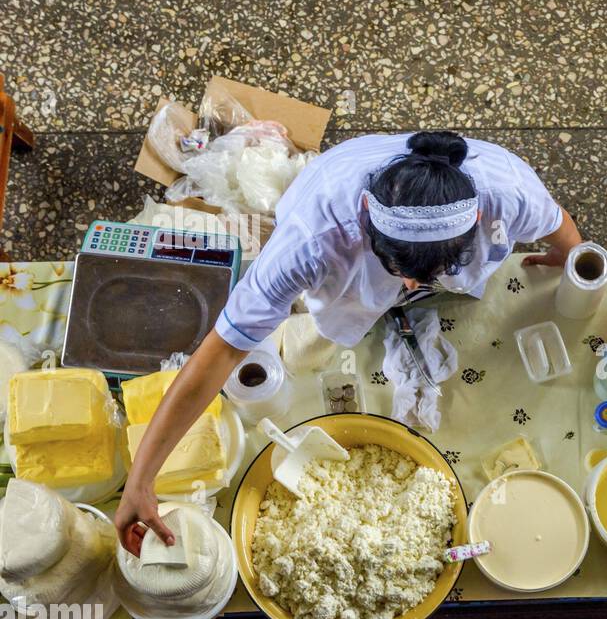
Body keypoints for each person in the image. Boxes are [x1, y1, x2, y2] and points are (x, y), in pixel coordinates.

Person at [114, 130, 582, 552]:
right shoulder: (311, 240)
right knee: (349, 309)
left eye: (434, 274)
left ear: (478, 217)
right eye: (401, 275)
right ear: (364, 218)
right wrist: (141, 477)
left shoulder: (508, 189)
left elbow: (555, 220)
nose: (415, 289)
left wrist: (569, 257)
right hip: (334, 209)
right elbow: (221, 350)